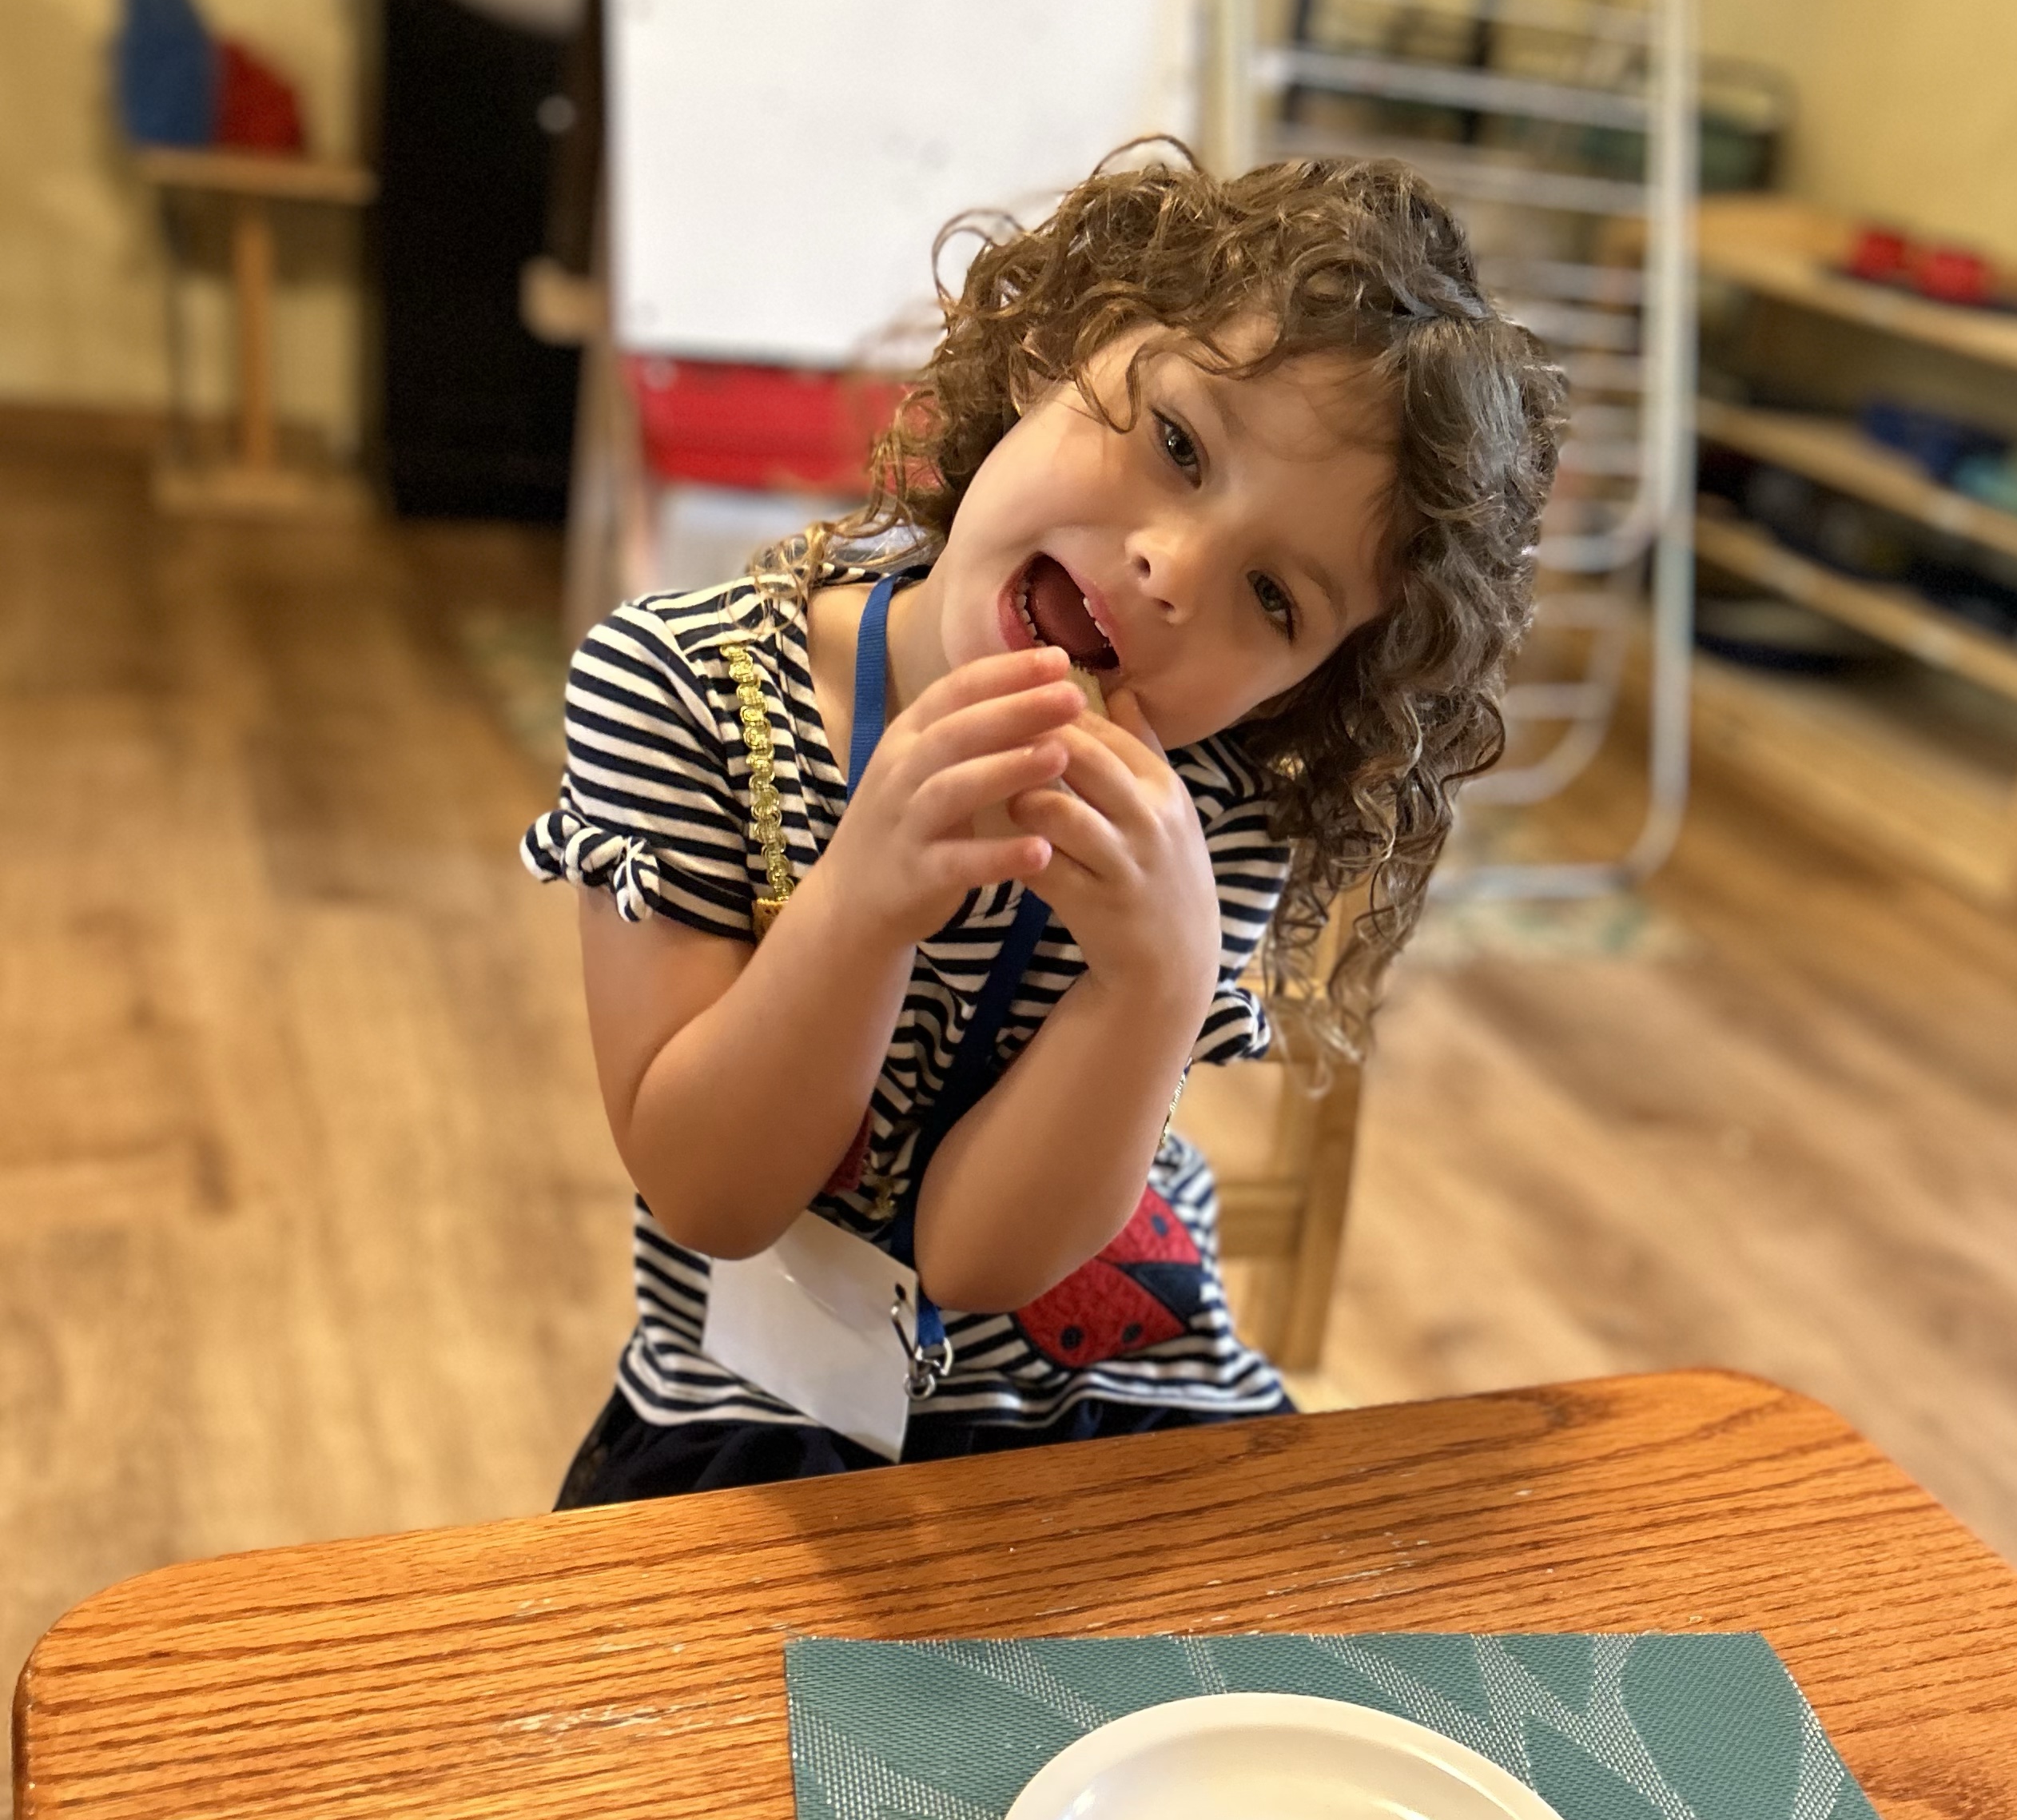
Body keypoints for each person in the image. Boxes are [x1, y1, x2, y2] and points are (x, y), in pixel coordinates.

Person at [524, 147, 1564, 1505]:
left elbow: (982, 1261)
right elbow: (710, 1195)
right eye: (1179, 444)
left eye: (1275, 599)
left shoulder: (1212, 814)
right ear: (1051, 352)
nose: (1172, 569)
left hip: (1125, 1413)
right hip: (750, 1418)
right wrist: (862, 903)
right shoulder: (679, 689)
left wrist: (1157, 980)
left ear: (1312, 684)